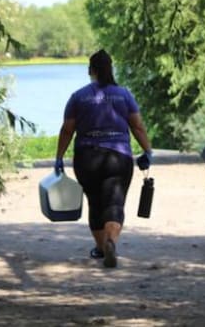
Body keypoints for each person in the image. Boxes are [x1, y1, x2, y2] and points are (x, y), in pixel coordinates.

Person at [55, 49, 153, 268]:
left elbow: (67, 130)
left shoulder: (78, 96)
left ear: (91, 70)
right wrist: (147, 150)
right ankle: (111, 242)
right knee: (115, 203)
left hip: (87, 157)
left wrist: (59, 157)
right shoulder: (124, 95)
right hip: (118, 157)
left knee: (95, 202)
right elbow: (136, 125)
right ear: (110, 69)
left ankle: (100, 248)